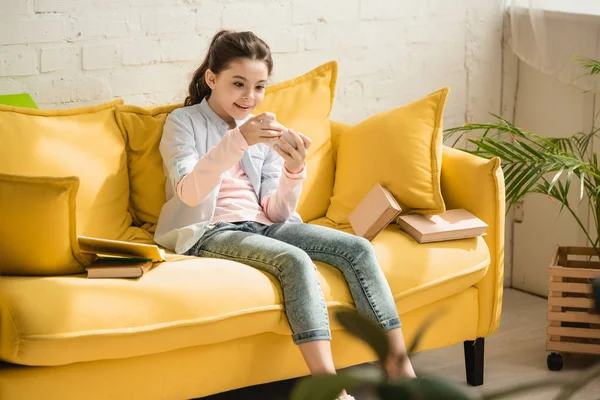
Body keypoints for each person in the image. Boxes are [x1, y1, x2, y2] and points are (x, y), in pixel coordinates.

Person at [154, 29, 416, 400]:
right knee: (295, 261)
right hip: (209, 230)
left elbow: (276, 211)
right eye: (239, 84)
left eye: (259, 86)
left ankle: (400, 369)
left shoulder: (263, 129)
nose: (250, 97)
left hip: (264, 226)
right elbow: (189, 191)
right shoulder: (183, 123)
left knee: (357, 248)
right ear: (212, 79)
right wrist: (239, 140)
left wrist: (295, 170)